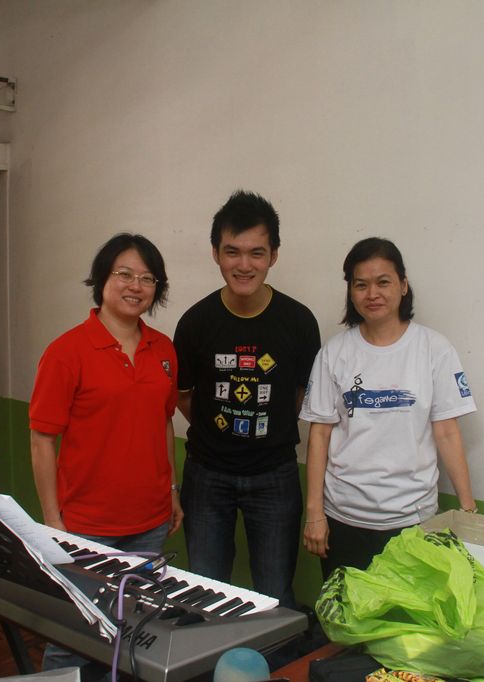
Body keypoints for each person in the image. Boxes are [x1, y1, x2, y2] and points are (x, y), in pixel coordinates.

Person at [29, 233, 182, 671]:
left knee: (133, 630)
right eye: (124, 274)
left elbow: (163, 421)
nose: (136, 286)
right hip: (85, 526)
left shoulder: (163, 349)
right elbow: (42, 439)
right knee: (74, 637)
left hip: (149, 523)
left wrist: (171, 490)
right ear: (102, 280)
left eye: (147, 278)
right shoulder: (66, 352)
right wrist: (53, 521)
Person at [174, 190, 320, 608]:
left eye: (256, 253)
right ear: (215, 254)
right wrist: (217, 429)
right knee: (205, 592)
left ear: (273, 255)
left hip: (275, 475)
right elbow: (183, 395)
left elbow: (300, 395)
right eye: (232, 252)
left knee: (275, 596)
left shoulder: (298, 321)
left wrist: (266, 427)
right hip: (206, 475)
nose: (244, 265)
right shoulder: (196, 322)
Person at [300, 237, 477, 579]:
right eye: (361, 285)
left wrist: (468, 511)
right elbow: (319, 435)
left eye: (383, 282)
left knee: (408, 612)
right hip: (344, 518)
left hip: (414, 519)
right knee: (347, 611)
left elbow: (447, 432)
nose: (372, 293)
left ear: (403, 285)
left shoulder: (434, 349)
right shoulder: (334, 353)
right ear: (351, 291)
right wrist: (314, 514)